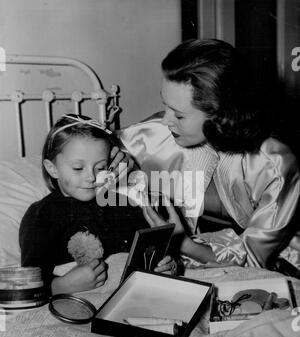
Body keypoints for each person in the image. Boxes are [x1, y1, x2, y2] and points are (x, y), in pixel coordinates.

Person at [124, 39, 300, 272]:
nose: (164, 119)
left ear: (219, 114)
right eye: (164, 104)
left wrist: (181, 241)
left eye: (178, 115)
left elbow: (253, 262)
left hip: (269, 266)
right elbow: (78, 143)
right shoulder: (157, 133)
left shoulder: (274, 165)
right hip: (183, 261)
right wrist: (111, 157)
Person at [19, 114, 176, 297]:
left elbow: (152, 253)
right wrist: (61, 286)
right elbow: (28, 285)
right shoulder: (42, 215)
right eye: (78, 168)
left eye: (100, 168)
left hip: (131, 295)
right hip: (75, 302)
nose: (91, 177)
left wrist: (167, 266)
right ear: (52, 168)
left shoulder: (122, 203)